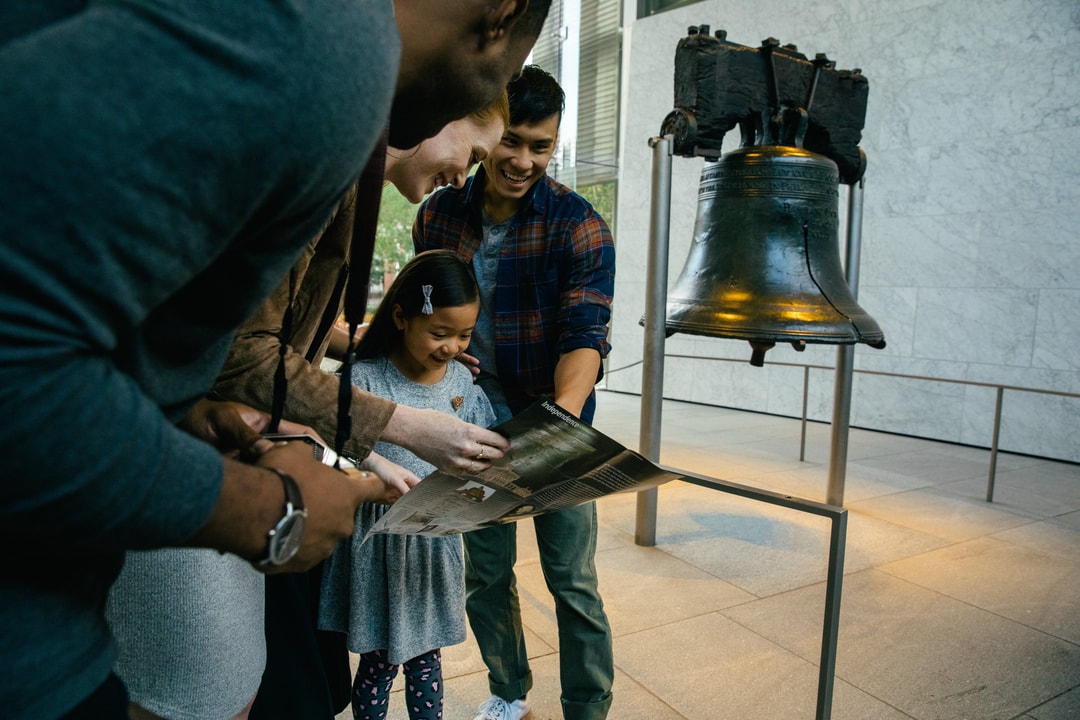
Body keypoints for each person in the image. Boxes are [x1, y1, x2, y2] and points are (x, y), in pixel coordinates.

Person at [0, 2, 549, 719]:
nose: (471, 172)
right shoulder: (328, 49)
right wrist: (270, 512)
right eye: (478, 149)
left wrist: (197, 412)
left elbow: (131, 324)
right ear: (500, 16)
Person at [105, 94, 514, 720]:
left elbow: (281, 322)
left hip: (219, 456)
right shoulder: (320, 168)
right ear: (446, 101)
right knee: (194, 692)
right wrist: (402, 424)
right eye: (475, 153)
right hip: (175, 461)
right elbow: (241, 350)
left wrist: (373, 344)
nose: (468, 174)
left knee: (233, 682)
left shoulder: (351, 181)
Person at [414, 66, 617, 720]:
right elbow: (422, 311)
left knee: (573, 582)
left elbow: (586, 334)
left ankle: (587, 709)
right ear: (489, 132)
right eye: (514, 142)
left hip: (555, 419)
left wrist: (558, 422)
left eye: (542, 146)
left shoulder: (579, 225)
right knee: (485, 576)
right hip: (470, 423)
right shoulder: (438, 215)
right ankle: (508, 691)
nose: (524, 160)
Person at [319, 250, 497, 720]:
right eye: (439, 333)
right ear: (400, 317)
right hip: (376, 543)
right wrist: (372, 465)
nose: (452, 347)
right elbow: (326, 440)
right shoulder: (365, 379)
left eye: (463, 335)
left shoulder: (461, 379)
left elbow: (484, 448)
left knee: (426, 661)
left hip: (430, 546)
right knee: (377, 664)